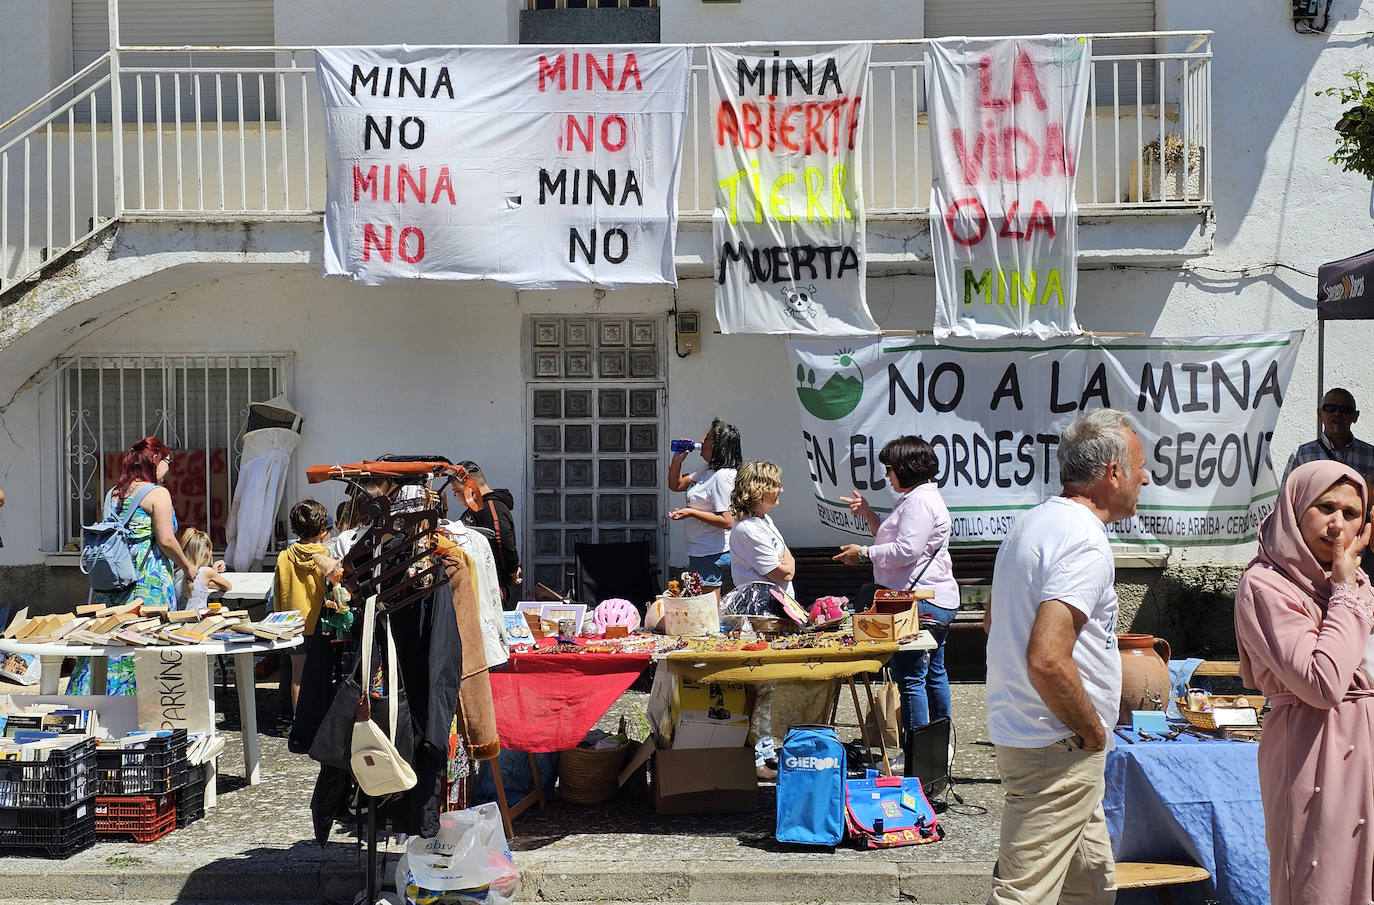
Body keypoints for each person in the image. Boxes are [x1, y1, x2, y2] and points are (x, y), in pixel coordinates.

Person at [984, 408, 1149, 905]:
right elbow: (1048, 658)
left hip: (1039, 734)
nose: (1146, 477)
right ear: (1112, 473)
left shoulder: (1032, 523)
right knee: (1024, 894)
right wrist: (1092, 729)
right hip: (1058, 743)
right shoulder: (1085, 541)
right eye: (1139, 466)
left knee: (1091, 885)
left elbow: (994, 623)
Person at [1234, 460, 1374, 905]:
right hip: (1313, 751)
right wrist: (1345, 593)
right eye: (1324, 507)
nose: (1337, 525)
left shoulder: (1352, 581)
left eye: (1351, 513)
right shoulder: (1266, 585)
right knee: (1319, 883)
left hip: (1367, 747)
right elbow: (1324, 682)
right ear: (1295, 509)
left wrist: (1345, 589)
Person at [833, 435, 958, 730]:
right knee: (932, 672)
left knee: (912, 676)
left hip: (920, 601)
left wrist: (863, 553)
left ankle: (916, 749)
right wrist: (868, 514)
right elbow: (895, 541)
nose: (887, 476)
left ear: (906, 467)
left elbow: (906, 551)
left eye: (889, 468)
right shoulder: (918, 499)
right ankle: (939, 745)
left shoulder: (919, 502)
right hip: (933, 598)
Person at [71, 437, 199, 694]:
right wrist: (187, 566)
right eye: (167, 461)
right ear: (155, 461)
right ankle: (145, 713)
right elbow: (165, 539)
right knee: (148, 646)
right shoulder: (157, 494)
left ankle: (98, 705)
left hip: (115, 582)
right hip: (147, 584)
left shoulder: (113, 494)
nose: (169, 467)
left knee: (112, 642)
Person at [729, 460, 796, 781]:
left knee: (770, 687)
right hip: (759, 617)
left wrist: (786, 562)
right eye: (775, 484)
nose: (780, 489)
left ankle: (767, 751)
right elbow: (783, 570)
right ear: (758, 489)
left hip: (775, 615)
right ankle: (756, 756)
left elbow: (789, 560)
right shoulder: (745, 529)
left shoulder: (764, 521)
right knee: (759, 686)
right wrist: (786, 562)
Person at [274, 499, 337, 713]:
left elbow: (278, 592)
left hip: (292, 624)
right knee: (322, 675)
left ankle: (298, 723)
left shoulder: (284, 556)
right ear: (321, 529)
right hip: (321, 622)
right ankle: (318, 721)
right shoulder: (326, 556)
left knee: (297, 676)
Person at [668, 418, 742, 596]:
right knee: (704, 608)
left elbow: (727, 521)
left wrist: (692, 512)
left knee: (708, 612)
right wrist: (677, 460)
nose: (701, 441)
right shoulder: (706, 470)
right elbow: (676, 485)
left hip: (712, 553)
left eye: (707, 439)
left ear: (719, 446)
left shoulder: (722, 476)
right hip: (701, 551)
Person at [458, 461, 521, 607]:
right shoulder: (478, 507)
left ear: (470, 486)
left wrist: (512, 569)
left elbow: (502, 540)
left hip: (493, 584)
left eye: (456, 491)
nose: (456, 496)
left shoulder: (492, 508)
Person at [1282, 387, 1374, 487]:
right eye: (1330, 408)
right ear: (1319, 414)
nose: (1337, 413)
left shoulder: (1371, 455)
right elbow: (1286, 498)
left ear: (1355, 416)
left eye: (1345, 410)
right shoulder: (1301, 455)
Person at [176, 527, 231, 611]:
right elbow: (228, 586)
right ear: (207, 553)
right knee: (225, 609)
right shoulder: (207, 572)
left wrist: (211, 575)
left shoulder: (177, 571)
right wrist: (209, 580)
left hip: (178, 618)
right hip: (199, 620)